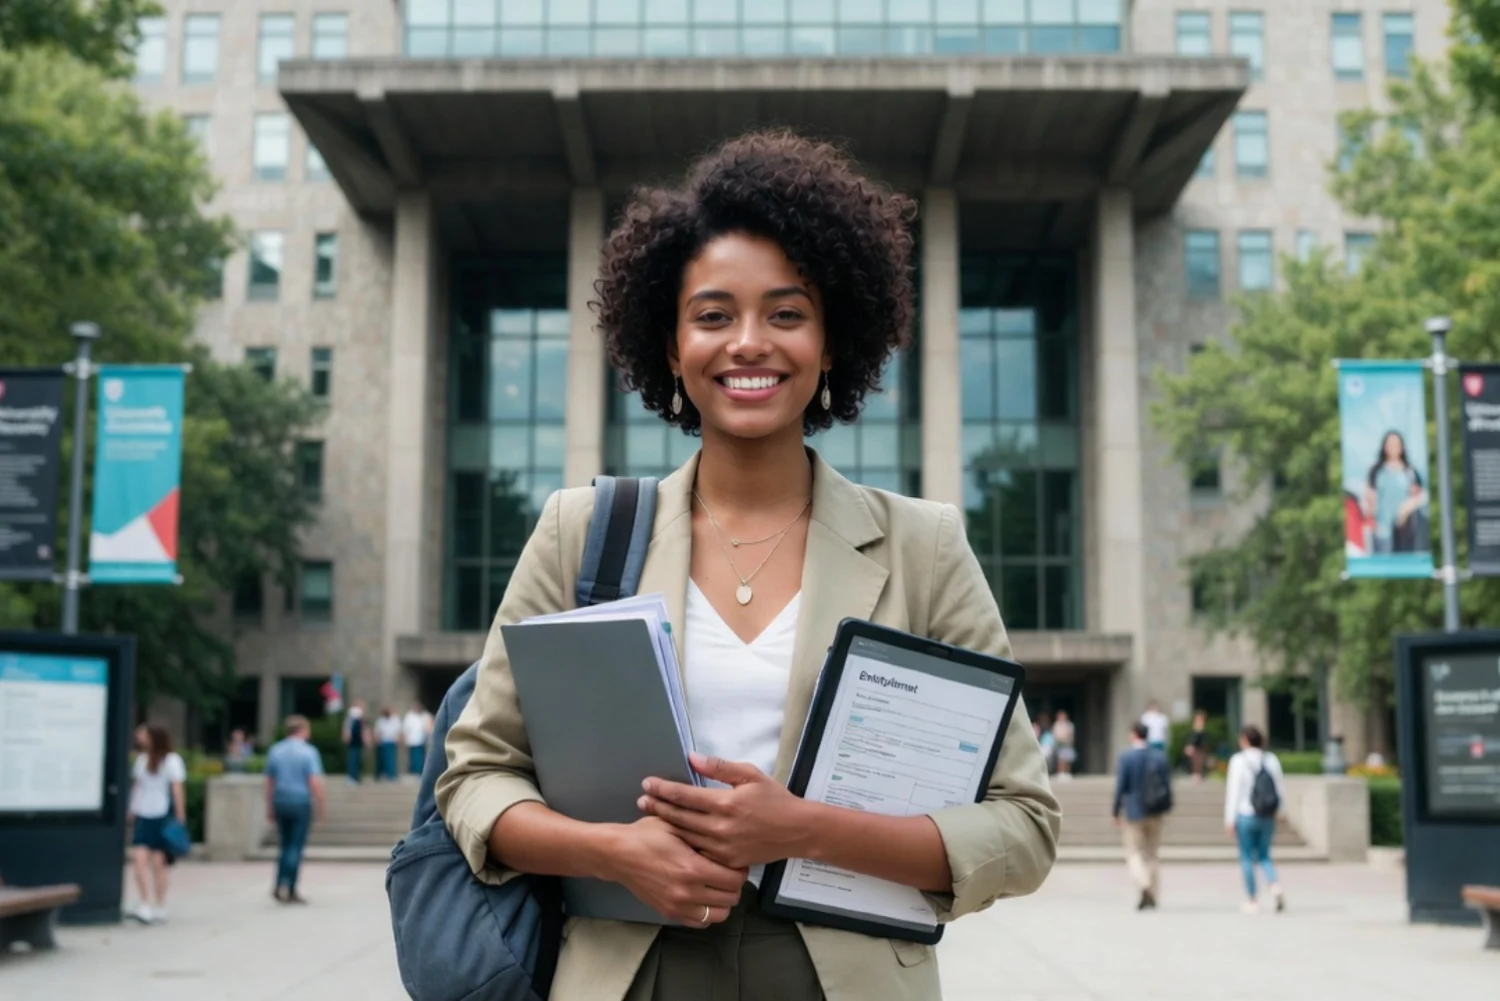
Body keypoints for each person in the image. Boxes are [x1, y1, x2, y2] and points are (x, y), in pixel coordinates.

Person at [436, 130, 1060, 1001]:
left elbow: (1024, 825)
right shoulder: (581, 533)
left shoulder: (924, 546)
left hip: (843, 978)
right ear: (670, 345)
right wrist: (613, 852)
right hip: (633, 969)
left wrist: (802, 830)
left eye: (787, 314)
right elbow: (475, 776)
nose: (749, 343)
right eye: (713, 315)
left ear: (832, 341)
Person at [125, 723, 187, 924]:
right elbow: (137, 787)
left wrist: (180, 815)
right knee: (138, 861)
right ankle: (145, 902)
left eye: (145, 734)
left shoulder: (172, 760)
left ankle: (159, 904)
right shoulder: (142, 760)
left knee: (159, 864)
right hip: (143, 814)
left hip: (162, 815)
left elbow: (176, 789)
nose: (140, 737)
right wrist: (132, 810)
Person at [1224, 725, 1286, 914]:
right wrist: (1281, 811)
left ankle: (1252, 899)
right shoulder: (1271, 759)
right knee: (1265, 855)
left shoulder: (1238, 761)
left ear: (1244, 740)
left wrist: (1229, 819)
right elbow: (1279, 788)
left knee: (1247, 857)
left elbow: (1234, 791)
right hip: (1267, 815)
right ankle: (1274, 885)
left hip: (1245, 814)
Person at [264, 715, 326, 904]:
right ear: (302, 730)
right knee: (295, 847)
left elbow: (269, 781)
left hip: (281, 800)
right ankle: (289, 887)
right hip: (300, 802)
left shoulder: (275, 750)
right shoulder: (308, 752)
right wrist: (321, 803)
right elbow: (313, 781)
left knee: (284, 845)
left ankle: (279, 883)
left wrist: (269, 806)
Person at [1112, 722, 1172, 911]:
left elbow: (1121, 786)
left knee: (1134, 853)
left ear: (1134, 734)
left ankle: (1144, 883)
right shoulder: (1160, 756)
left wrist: (1115, 810)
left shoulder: (1127, 757)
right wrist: (1167, 807)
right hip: (1156, 810)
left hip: (1134, 811)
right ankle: (1153, 895)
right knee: (1152, 854)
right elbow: (1167, 785)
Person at [1362, 430, 1428, 554]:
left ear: (1402, 447)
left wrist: (1406, 509)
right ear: (1384, 446)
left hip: (1405, 528)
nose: (1393, 447)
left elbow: (1419, 496)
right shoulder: (1376, 471)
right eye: (1390, 444)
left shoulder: (1410, 472)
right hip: (1382, 529)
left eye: (1396, 444)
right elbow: (1370, 497)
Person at [402, 701, 433, 778]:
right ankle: (414, 772)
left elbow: (428, 726)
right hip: (412, 741)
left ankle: (420, 771)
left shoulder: (424, 715)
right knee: (413, 758)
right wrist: (405, 739)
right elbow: (405, 728)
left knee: (421, 757)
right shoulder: (409, 716)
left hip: (421, 741)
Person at [342, 699, 368, 783]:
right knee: (354, 759)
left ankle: (355, 776)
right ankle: (353, 776)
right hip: (354, 740)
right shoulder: (354, 714)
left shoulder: (356, 716)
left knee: (356, 759)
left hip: (357, 740)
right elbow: (348, 727)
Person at [375, 706, 402, 781]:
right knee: (383, 760)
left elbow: (398, 730)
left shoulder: (395, 719)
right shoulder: (380, 720)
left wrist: (398, 739)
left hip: (392, 741)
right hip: (383, 742)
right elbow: (377, 731)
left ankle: (392, 775)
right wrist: (377, 739)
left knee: (391, 760)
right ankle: (383, 774)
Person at [1052, 710, 1076, 780]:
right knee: (1060, 760)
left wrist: (1070, 740)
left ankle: (1067, 773)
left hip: (1067, 744)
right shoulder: (1056, 725)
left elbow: (1071, 735)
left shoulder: (1069, 725)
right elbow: (1055, 735)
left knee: (1068, 759)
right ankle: (1060, 773)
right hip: (1059, 744)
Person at [1185, 709, 1208, 782]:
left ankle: (1198, 774)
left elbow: (1202, 737)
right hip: (1195, 746)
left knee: (1199, 761)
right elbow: (1192, 737)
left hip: (1200, 746)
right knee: (1195, 761)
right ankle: (1195, 774)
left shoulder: (1201, 726)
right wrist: (1190, 745)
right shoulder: (1196, 727)